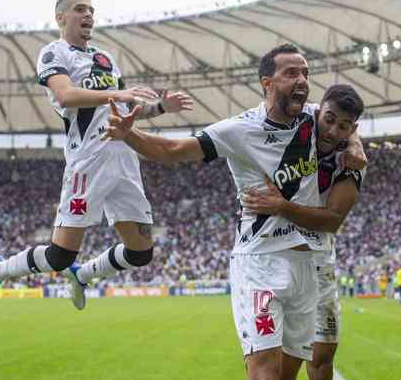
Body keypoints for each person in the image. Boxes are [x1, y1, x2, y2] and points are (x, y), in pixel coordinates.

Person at [102, 43, 367, 380]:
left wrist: (357, 146)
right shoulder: (239, 130)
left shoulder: (315, 118)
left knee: (286, 374)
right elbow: (172, 150)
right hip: (261, 262)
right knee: (264, 372)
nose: (301, 79)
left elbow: (347, 123)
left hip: (308, 268)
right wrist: (131, 136)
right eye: (291, 73)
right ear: (267, 83)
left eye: (305, 73)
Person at [0, 0, 193, 311]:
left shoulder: (105, 58)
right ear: (61, 17)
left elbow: (125, 108)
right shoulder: (53, 53)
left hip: (124, 158)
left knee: (141, 253)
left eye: (90, 9)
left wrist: (159, 107)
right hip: (88, 161)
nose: (88, 15)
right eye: (79, 9)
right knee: (60, 255)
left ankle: (83, 275)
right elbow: (66, 97)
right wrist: (117, 94)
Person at [240, 83, 365, 380]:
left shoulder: (353, 161)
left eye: (344, 127)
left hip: (321, 264)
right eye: (330, 119)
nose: (333, 131)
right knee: (277, 363)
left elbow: (333, 219)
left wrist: (281, 206)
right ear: (320, 111)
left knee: (322, 359)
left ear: (353, 128)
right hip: (279, 261)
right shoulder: (298, 124)